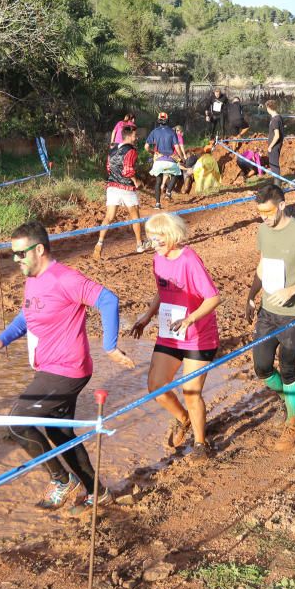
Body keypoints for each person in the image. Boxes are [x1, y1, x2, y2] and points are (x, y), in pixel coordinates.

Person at [0, 221, 135, 511]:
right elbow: (27, 316)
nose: (16, 260)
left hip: (66, 370)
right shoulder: (34, 278)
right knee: (59, 432)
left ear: (39, 249)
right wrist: (2, 340)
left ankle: (62, 481)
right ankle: (97, 492)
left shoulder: (64, 278)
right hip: (50, 368)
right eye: (12, 254)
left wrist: (110, 346)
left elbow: (107, 299)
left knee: (17, 422)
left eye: (20, 253)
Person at [130, 213, 221, 462]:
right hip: (170, 333)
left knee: (191, 392)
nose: (154, 243)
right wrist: (147, 316)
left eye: (159, 238)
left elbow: (213, 297)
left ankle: (201, 443)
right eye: (151, 239)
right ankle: (184, 419)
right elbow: (162, 290)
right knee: (156, 387)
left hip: (198, 336)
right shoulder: (158, 260)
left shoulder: (189, 260)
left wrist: (191, 319)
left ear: (171, 235)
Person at [245, 184, 295, 451]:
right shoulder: (262, 230)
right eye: (260, 213)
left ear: (282, 205)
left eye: (267, 212)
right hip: (269, 311)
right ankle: (287, 398)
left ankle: (292, 422)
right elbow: (263, 263)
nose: (263, 217)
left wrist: (292, 289)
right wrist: (251, 294)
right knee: (262, 367)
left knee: (288, 367)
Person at [94, 124, 146, 259]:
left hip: (112, 186)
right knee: (135, 216)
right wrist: (136, 181)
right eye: (135, 135)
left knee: (109, 217)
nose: (136, 137)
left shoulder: (112, 150)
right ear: (129, 136)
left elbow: (109, 167)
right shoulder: (131, 151)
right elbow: (127, 170)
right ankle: (140, 244)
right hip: (127, 187)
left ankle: (99, 244)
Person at [145, 112, 183, 209]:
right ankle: (168, 192)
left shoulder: (154, 132)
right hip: (170, 160)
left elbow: (146, 147)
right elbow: (177, 147)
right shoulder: (172, 132)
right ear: (167, 120)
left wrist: (153, 152)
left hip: (159, 161)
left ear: (158, 121)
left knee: (158, 181)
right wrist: (181, 158)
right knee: (177, 174)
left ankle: (157, 204)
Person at [265, 99, 285, 185]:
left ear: (269, 108)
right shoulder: (278, 117)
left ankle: (277, 185)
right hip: (277, 145)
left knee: (274, 164)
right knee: (273, 163)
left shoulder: (275, 120)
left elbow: (277, 135)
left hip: (274, 146)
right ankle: (277, 183)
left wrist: (270, 146)